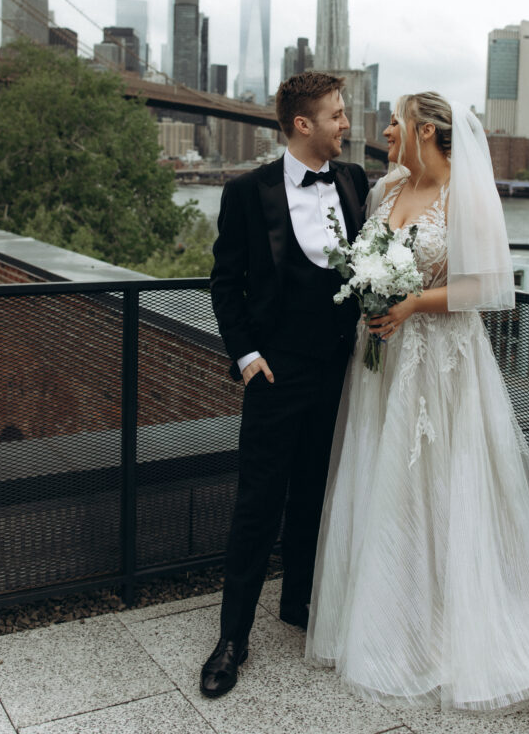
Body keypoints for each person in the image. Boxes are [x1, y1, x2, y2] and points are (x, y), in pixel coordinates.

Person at [306, 93, 529, 712]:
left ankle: (457, 619)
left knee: (444, 483)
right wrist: (374, 297)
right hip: (385, 363)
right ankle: (393, 612)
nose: (385, 131)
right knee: (384, 480)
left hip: (441, 364)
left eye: (395, 121)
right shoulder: (387, 190)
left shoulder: (463, 197)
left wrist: (413, 302)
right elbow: (367, 260)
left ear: (423, 130)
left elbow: (486, 288)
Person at [200, 71, 369, 698]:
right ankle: (231, 637)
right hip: (276, 373)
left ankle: (298, 603)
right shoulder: (249, 192)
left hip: (339, 370)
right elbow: (225, 283)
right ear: (304, 124)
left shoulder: (354, 181)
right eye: (337, 115)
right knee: (257, 504)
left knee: (314, 494)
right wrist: (245, 355)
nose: (347, 125)